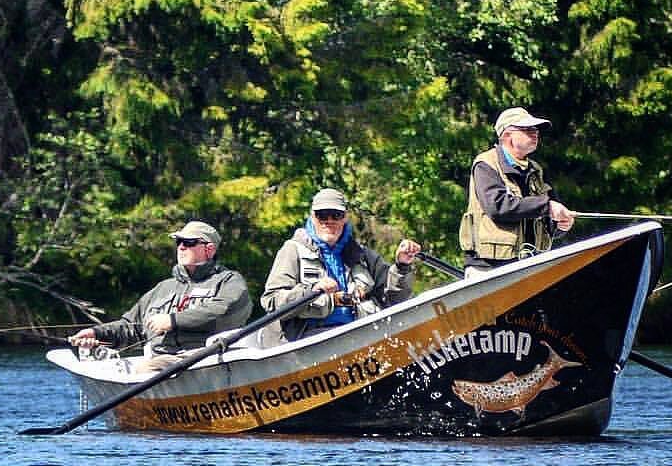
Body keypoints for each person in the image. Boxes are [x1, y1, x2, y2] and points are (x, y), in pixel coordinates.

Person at [72, 220, 252, 372]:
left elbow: (222, 310)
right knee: (146, 368)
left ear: (209, 249)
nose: (181, 247)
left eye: (189, 243)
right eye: (179, 242)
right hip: (162, 360)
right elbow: (131, 327)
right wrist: (96, 333)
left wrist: (173, 320)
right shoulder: (163, 288)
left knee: (148, 369)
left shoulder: (230, 281)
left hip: (206, 360)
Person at [259, 188, 421, 345]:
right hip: (309, 344)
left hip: (361, 339)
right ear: (312, 217)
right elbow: (272, 302)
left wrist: (402, 266)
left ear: (345, 218)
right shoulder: (292, 250)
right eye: (322, 215)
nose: (329, 221)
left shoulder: (362, 255)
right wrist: (312, 290)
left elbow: (394, 300)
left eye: (336, 215)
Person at [459, 106, 575, 278]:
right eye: (527, 129)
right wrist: (547, 206)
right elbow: (498, 207)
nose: (535, 133)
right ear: (507, 135)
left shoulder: (537, 171)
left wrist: (561, 225)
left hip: (530, 267)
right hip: (488, 268)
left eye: (535, 129)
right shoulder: (485, 164)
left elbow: (549, 219)